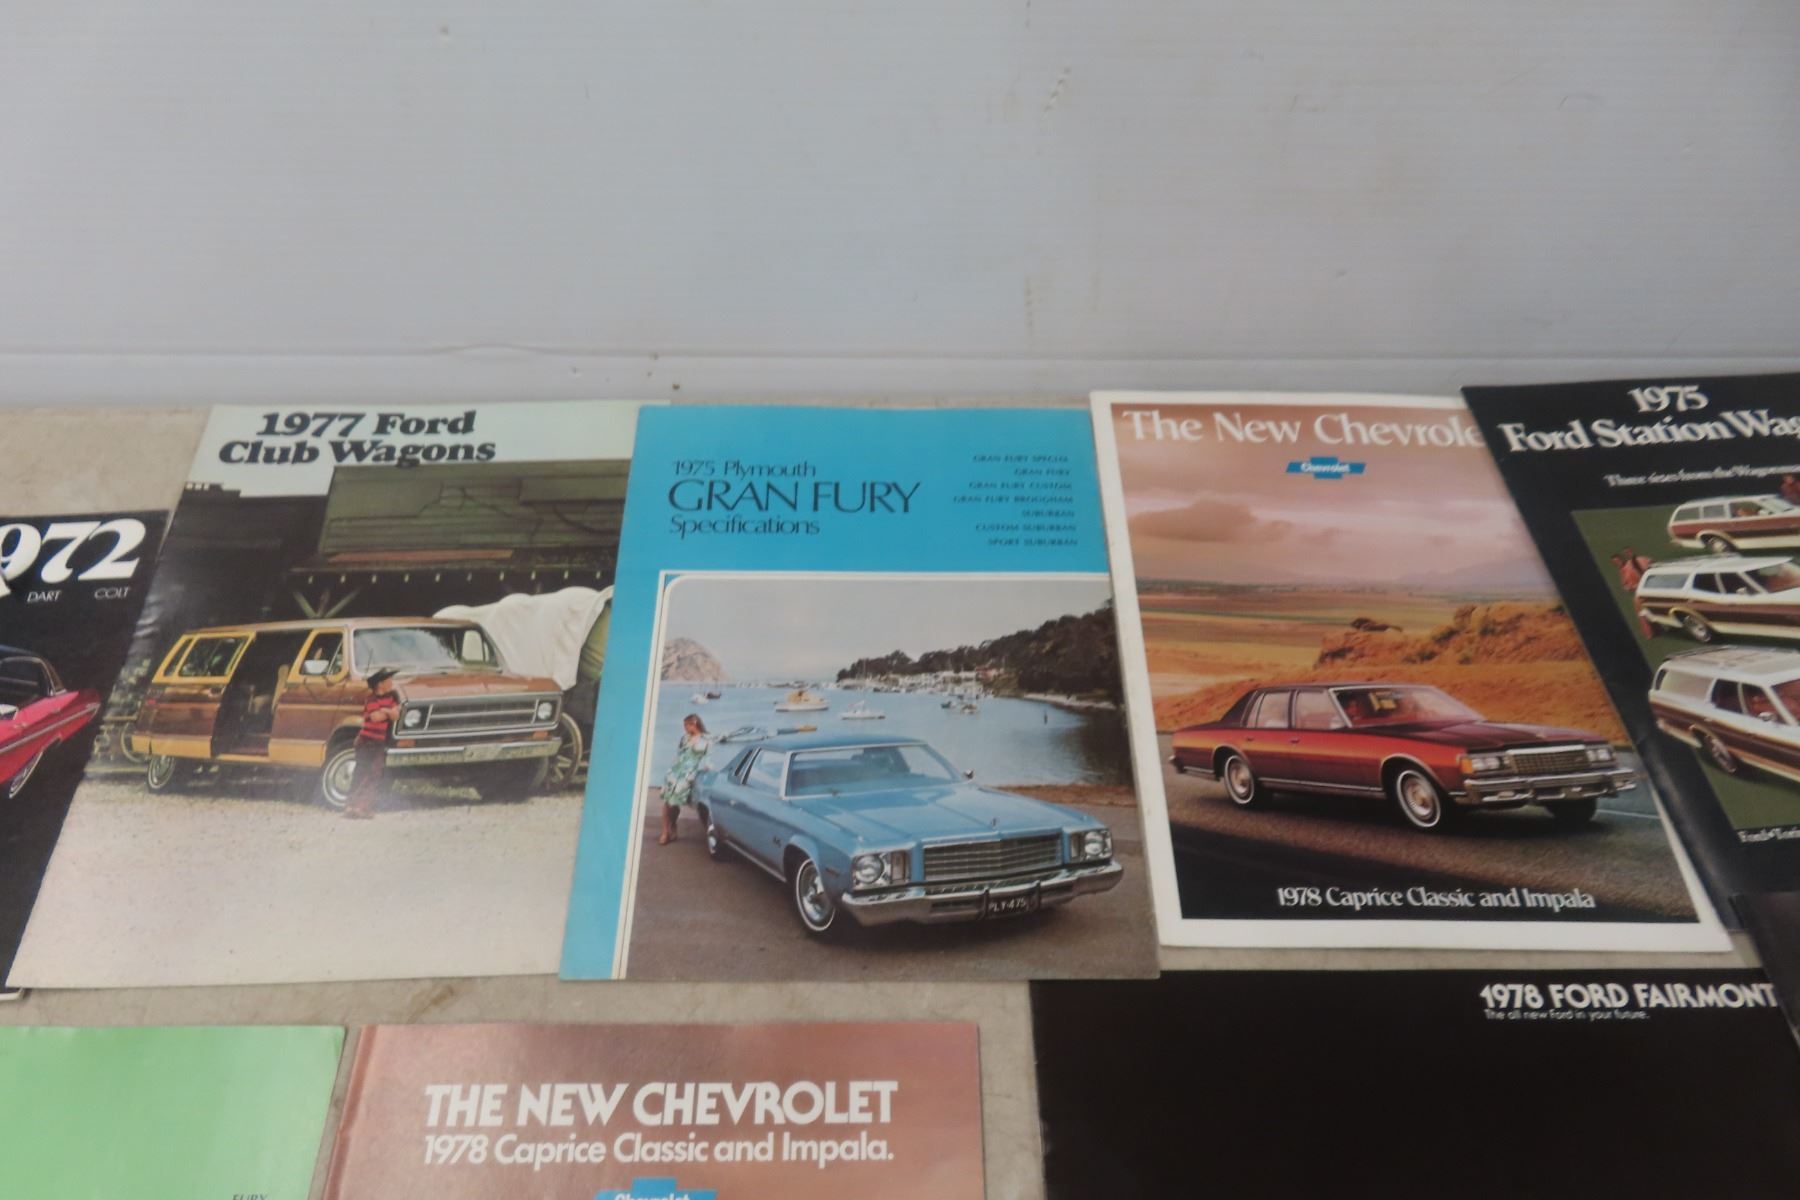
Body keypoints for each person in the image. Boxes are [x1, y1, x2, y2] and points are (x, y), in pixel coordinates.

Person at [344, 667, 399, 820]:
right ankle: (351, 805)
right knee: (361, 772)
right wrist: (388, 711)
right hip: (366, 740)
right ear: (380, 684)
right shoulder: (371, 699)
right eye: (388, 680)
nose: (391, 682)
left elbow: (396, 715)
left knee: (374, 773)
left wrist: (385, 711)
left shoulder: (392, 697)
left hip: (378, 741)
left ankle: (362, 806)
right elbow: (375, 717)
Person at [659, 713, 710, 844]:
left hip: (687, 776)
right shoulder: (684, 738)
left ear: (694, 724)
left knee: (675, 803)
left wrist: (705, 769)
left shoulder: (706, 739)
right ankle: (665, 832)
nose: (685, 728)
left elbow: (708, 759)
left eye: (686, 725)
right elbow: (679, 754)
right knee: (667, 802)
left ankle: (673, 825)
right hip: (674, 773)